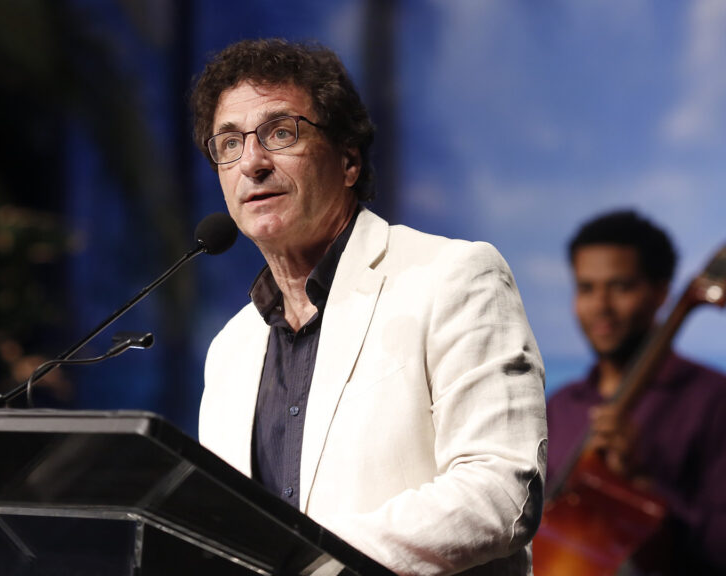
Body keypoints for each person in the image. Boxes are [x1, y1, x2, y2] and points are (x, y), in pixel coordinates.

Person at [192, 39, 547, 576]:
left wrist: (309, 561)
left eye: (280, 133)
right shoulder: (230, 350)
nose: (253, 163)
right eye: (229, 144)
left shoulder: (452, 276)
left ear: (349, 159)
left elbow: (501, 489)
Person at [546, 210, 726, 575]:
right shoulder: (558, 408)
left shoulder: (724, 402)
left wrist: (642, 483)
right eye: (586, 288)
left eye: (620, 287)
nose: (601, 306)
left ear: (661, 292)